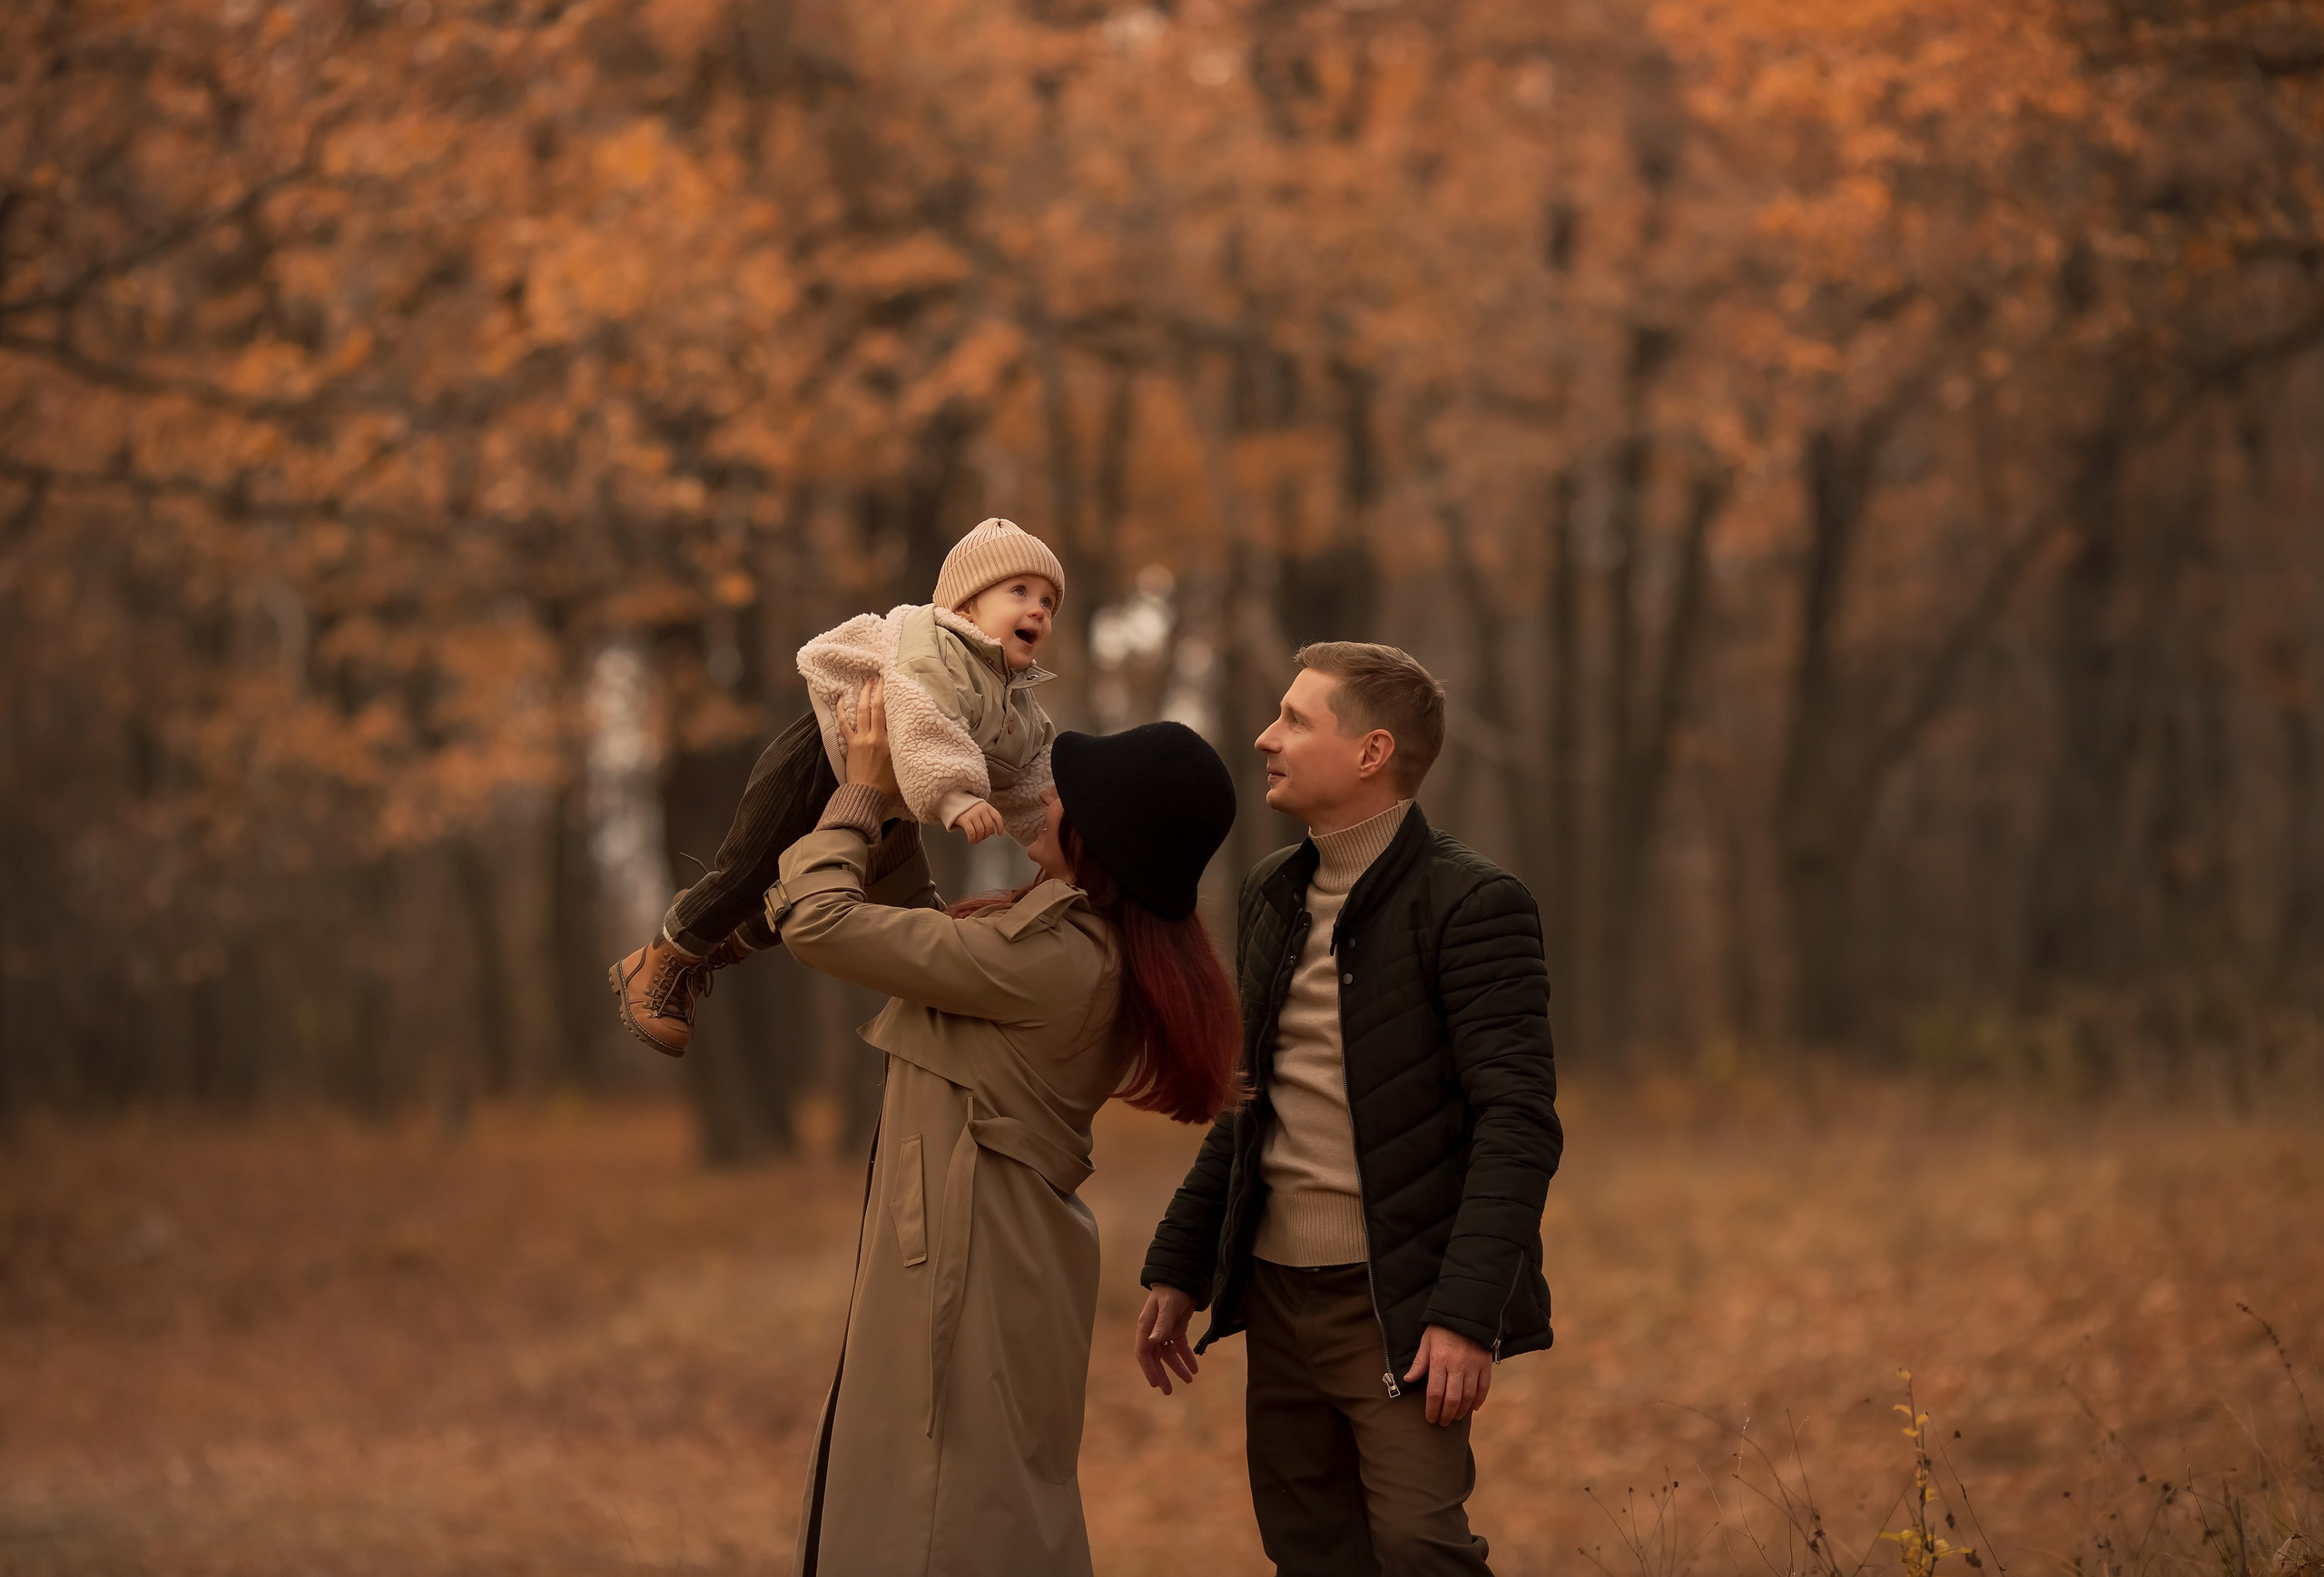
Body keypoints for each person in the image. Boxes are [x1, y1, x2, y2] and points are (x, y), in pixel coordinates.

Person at [772, 676, 1243, 1576]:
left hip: (968, 1258)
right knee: (963, 1504)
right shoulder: (1068, 943)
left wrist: (861, 797)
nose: (1046, 796)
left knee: (945, 1518)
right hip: (978, 1245)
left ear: (1103, 840)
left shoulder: (1061, 958)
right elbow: (927, 952)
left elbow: (820, 922)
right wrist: (902, 813)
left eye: (1069, 795)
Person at [1134, 642, 1563, 1577]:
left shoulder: (1474, 903)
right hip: (1277, 1293)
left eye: (1294, 720)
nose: (1264, 738)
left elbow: (1517, 1123)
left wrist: (1463, 1314)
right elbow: (1249, 1103)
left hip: (1399, 1302)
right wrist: (1182, 1263)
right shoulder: (1270, 895)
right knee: (1312, 1552)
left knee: (1417, 1547)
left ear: (1371, 753)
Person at [609, 516, 1069, 1056]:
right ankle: (660, 958)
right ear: (966, 605)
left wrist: (1062, 828)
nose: (1038, 609)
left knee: (881, 913)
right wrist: (955, 796)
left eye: (1048, 602)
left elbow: (1031, 773)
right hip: (821, 761)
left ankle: (723, 945)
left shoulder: (1017, 705)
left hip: (889, 802)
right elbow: (925, 717)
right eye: (1019, 591)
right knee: (748, 868)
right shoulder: (937, 647)